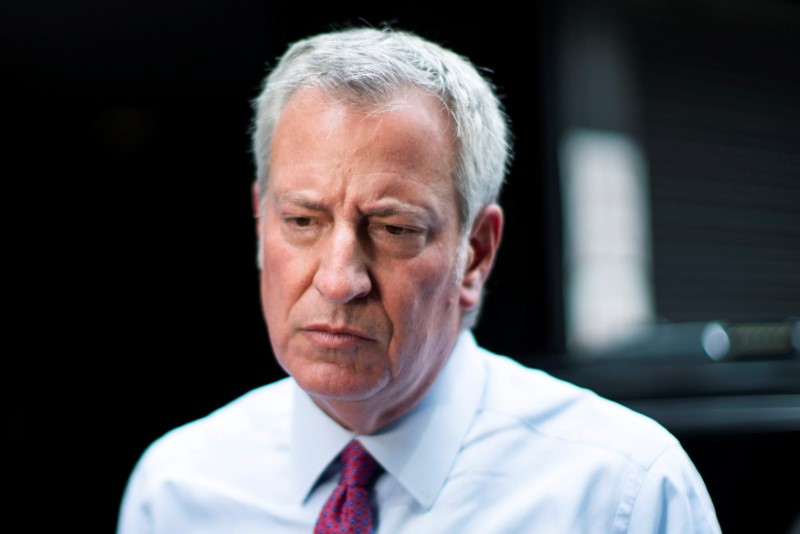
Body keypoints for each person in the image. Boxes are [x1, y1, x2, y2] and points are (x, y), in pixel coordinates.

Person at [116, 26, 721, 533]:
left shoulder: (621, 495)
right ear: (259, 223)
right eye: (302, 220)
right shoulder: (176, 492)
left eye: (394, 229)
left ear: (477, 254)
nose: (338, 279)